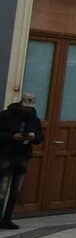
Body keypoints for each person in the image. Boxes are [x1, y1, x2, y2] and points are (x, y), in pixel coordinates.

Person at [0, 93, 44, 230]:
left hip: (23, 156)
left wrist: (33, 137)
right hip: (6, 155)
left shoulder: (34, 119)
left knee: (16, 191)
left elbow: (40, 137)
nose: (27, 111)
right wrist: (12, 136)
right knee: (2, 189)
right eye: (25, 108)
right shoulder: (5, 115)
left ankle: (7, 219)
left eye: (30, 108)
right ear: (20, 104)